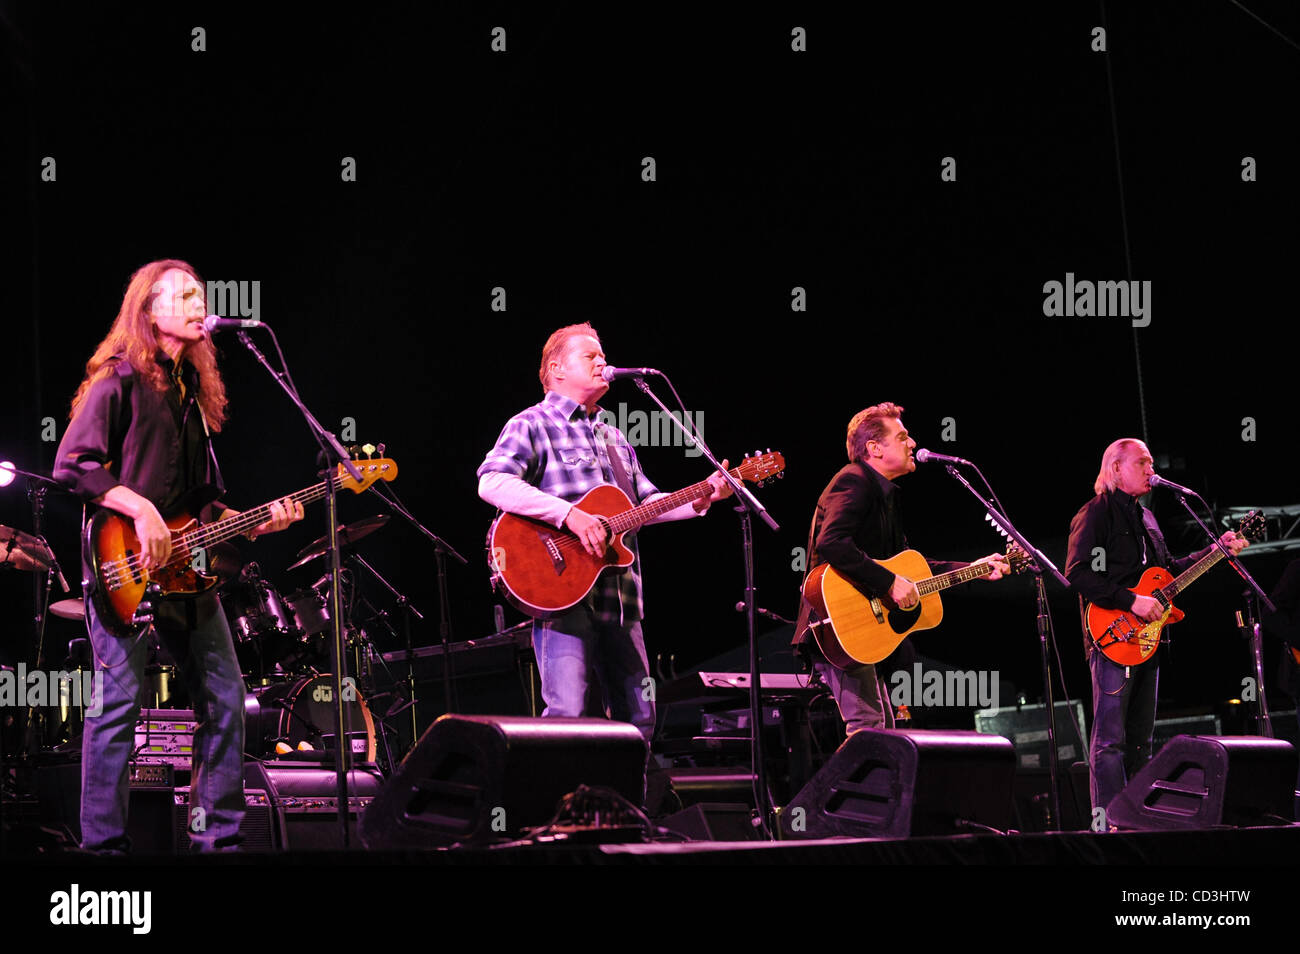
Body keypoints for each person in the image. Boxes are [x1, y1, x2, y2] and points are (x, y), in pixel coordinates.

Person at [54, 259, 303, 852]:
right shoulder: (118, 379)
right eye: (185, 294)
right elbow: (73, 464)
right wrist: (138, 508)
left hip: (186, 573)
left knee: (225, 700)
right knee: (116, 708)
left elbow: (204, 506)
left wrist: (259, 523)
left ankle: (217, 841)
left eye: (202, 294)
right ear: (150, 310)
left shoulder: (192, 396)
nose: (200, 303)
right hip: (123, 566)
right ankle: (102, 850)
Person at [476, 323, 731, 744]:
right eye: (590, 356)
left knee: (639, 720)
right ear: (556, 369)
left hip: (622, 596)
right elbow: (492, 482)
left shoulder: (614, 436)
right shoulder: (531, 424)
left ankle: (628, 810)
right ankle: (567, 810)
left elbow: (645, 506)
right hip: (560, 592)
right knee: (567, 717)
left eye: (603, 354)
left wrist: (706, 495)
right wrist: (570, 516)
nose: (603, 362)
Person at [793, 403, 1009, 735]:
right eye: (903, 436)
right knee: (869, 728)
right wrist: (889, 583)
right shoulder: (853, 481)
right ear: (874, 448)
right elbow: (831, 543)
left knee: (885, 728)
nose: (913, 443)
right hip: (838, 621)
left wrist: (973, 568)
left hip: (864, 624)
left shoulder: (885, 496)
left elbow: (912, 565)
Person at [1065, 437, 1247, 816]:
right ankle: (1107, 823)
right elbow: (1078, 574)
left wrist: (1215, 552)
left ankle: (1135, 817)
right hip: (1112, 637)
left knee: (1140, 742)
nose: (1153, 471)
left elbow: (1168, 574)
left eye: (1152, 464)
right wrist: (1131, 600)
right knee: (1110, 742)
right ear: (1116, 468)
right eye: (1143, 463)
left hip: (1149, 640)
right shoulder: (1096, 513)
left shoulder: (1146, 517)